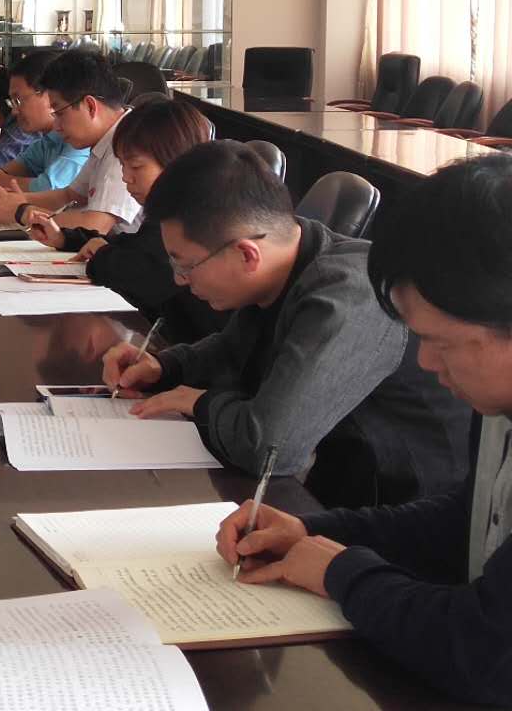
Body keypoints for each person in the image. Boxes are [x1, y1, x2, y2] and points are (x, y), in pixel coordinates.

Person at [214, 154, 512, 705]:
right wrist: (316, 531)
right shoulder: (497, 404)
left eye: (442, 342)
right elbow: (468, 519)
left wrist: (342, 572)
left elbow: (487, 652)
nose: (426, 362)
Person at [102, 140, 469, 508]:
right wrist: (165, 366)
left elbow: (270, 448)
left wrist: (199, 403)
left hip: (396, 507)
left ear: (247, 254)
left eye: (185, 265)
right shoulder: (287, 255)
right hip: (333, 480)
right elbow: (233, 347)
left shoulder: (351, 294)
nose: (180, 280)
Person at [28, 96, 227, 344]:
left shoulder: (190, 219)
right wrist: (65, 239)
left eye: (136, 167)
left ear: (175, 162)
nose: (126, 178)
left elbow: (141, 275)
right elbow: (134, 245)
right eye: (123, 166)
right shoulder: (165, 211)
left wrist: (101, 257)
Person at [0, 49, 140, 234]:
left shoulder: (127, 144)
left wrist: (22, 212)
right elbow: (68, 195)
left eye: (60, 113)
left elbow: (95, 225)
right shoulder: (104, 141)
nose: (56, 126)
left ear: (90, 106)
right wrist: (12, 202)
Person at [0, 51, 89, 192]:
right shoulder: (47, 141)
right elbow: (1, 172)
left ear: (49, 95)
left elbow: (49, 188)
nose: (14, 111)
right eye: (12, 102)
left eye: (18, 100)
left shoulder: (79, 141)